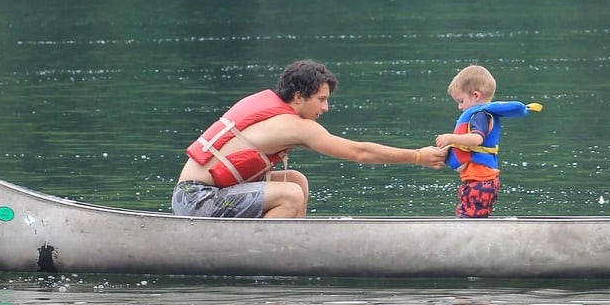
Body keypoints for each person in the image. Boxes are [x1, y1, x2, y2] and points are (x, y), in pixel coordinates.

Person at [172, 59, 445, 218]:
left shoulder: (274, 111)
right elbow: (359, 152)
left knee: (296, 181)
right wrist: (417, 156)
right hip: (197, 199)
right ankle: (262, 257)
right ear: (299, 97)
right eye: (321, 100)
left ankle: (289, 245)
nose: (325, 108)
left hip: (199, 196)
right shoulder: (296, 126)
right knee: (289, 195)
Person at [434, 65, 541, 218]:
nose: (459, 107)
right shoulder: (479, 114)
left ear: (476, 96)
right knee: (468, 214)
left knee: (469, 217)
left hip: (480, 180)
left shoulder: (480, 115)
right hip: (479, 179)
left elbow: (477, 139)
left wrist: (450, 138)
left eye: (461, 100)